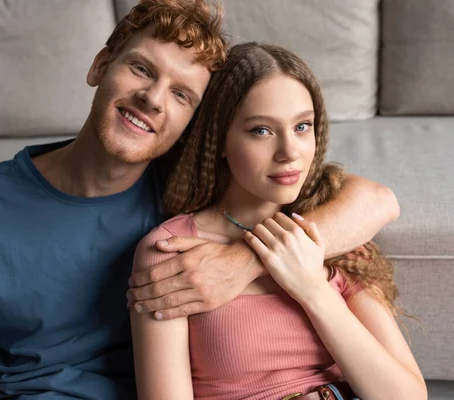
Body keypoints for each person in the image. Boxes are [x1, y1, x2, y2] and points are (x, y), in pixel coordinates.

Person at [0, 1, 400, 399]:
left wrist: (244, 261)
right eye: (140, 68)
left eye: (181, 94)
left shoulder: (187, 187)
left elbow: (373, 200)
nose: (153, 99)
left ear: (197, 125)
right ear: (99, 65)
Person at [131, 42, 427, 400]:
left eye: (302, 126)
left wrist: (312, 289)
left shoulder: (335, 229)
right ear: (218, 139)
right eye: (262, 131)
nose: (290, 152)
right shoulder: (171, 251)